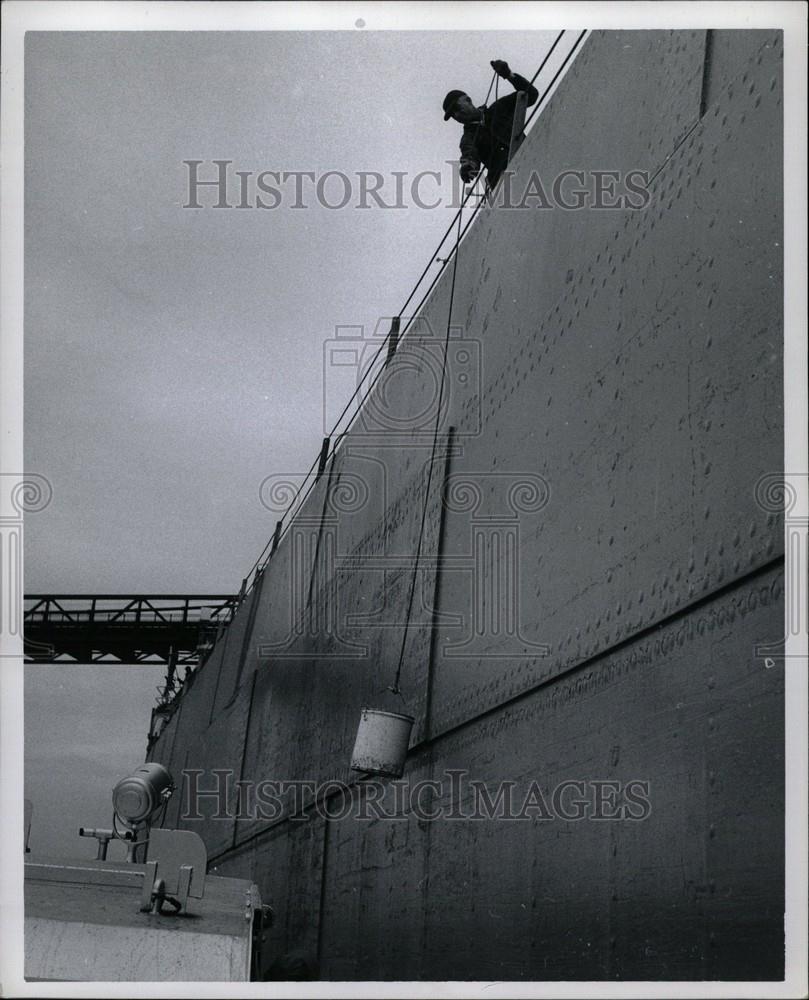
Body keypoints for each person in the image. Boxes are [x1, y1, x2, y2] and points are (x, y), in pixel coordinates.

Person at [443, 60, 539, 191]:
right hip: (505, 182)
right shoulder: (468, 138)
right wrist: (468, 166)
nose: (456, 115)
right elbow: (469, 154)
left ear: (468, 100)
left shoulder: (499, 109)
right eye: (453, 115)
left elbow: (531, 95)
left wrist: (509, 75)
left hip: (533, 156)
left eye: (457, 108)